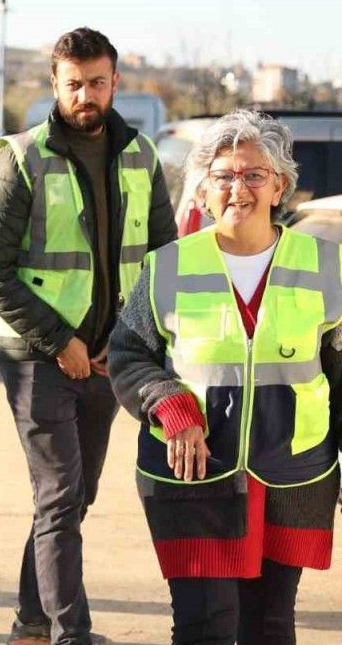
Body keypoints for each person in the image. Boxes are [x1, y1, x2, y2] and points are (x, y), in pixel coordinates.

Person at [0, 27, 177, 645]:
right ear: (55, 85)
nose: (86, 95)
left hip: (112, 355)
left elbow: (164, 258)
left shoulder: (142, 155)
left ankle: (31, 623)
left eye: (97, 83)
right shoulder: (21, 156)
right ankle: (70, 635)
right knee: (60, 496)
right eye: (74, 84)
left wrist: (131, 334)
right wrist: (61, 341)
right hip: (36, 355)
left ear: (115, 83)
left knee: (72, 497)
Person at [109, 110, 341, 643]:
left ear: (280, 185)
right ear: (203, 191)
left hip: (294, 475)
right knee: (204, 626)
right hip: (193, 476)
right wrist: (170, 403)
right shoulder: (167, 266)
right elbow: (127, 354)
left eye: (254, 174)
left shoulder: (329, 267)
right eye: (223, 176)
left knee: (270, 625)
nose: (239, 189)